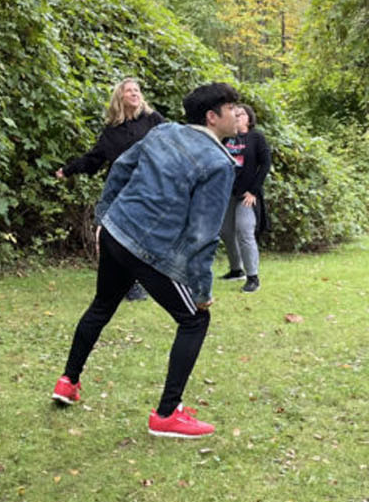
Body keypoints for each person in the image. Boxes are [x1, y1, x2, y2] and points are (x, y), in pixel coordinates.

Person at [49, 82, 239, 438]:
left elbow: (120, 168)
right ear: (213, 118)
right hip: (148, 248)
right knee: (195, 319)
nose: (238, 115)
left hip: (117, 231)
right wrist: (201, 289)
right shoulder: (218, 163)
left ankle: (67, 382)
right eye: (232, 109)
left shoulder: (164, 131)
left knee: (102, 305)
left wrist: (105, 217)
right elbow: (203, 234)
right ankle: (167, 414)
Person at [54, 77, 165, 302]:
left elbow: (171, 145)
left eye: (137, 90)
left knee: (144, 235)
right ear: (120, 97)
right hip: (121, 189)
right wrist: (68, 170)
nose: (135, 93)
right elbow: (95, 158)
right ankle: (129, 285)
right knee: (118, 235)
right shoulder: (112, 130)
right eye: (129, 91)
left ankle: (148, 280)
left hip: (150, 186)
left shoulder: (154, 120)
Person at [219, 103, 271, 293]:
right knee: (225, 231)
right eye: (235, 114)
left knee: (244, 230)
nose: (237, 117)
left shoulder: (256, 137)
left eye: (241, 114)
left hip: (247, 195)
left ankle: (253, 277)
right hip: (228, 193)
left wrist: (253, 191)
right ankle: (236, 270)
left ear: (249, 119)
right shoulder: (226, 138)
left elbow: (265, 165)